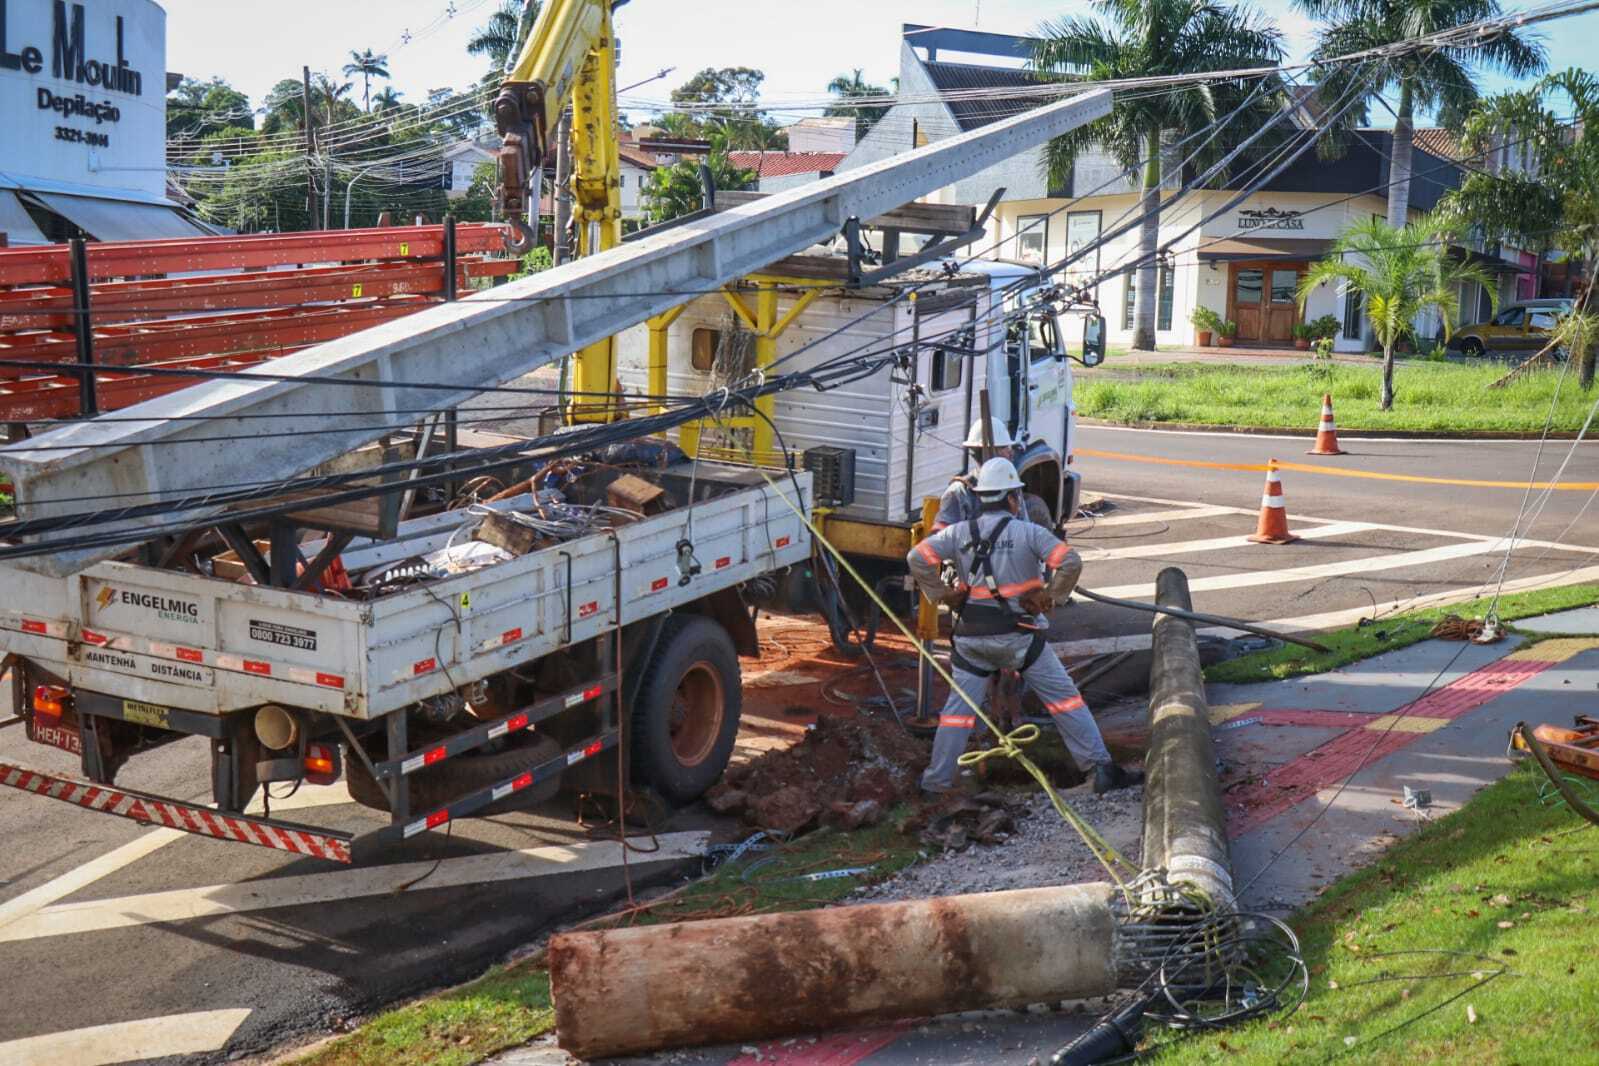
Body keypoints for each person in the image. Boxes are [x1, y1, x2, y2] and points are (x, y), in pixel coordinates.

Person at [907, 457, 1143, 796]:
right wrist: (1052, 597)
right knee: (1066, 701)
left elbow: (916, 558)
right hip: (1020, 639)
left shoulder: (958, 534)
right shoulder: (1029, 533)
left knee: (957, 714)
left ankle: (936, 782)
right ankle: (1099, 767)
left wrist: (942, 595)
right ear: (1012, 499)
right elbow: (1070, 562)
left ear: (982, 498)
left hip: (972, 640)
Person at [934, 417, 1051, 532]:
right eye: (1005, 447)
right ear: (991, 452)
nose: (1011, 452)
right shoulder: (959, 493)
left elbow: (1024, 531)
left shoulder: (1010, 486)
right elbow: (942, 542)